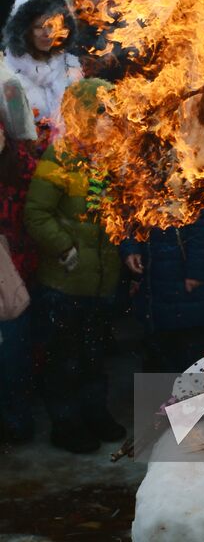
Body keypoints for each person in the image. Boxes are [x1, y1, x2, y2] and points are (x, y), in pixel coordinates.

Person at [24, 78, 124, 453]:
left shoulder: (109, 157)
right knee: (65, 359)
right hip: (65, 283)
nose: (109, 121)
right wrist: (65, 249)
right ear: (83, 116)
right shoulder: (61, 156)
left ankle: (95, 413)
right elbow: (36, 213)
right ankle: (65, 424)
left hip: (99, 282)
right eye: (101, 115)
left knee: (94, 357)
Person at [122, 195, 204, 373]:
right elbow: (130, 210)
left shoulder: (195, 170)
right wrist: (131, 248)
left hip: (184, 276)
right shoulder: (144, 170)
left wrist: (195, 270)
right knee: (159, 351)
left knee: (188, 354)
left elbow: (203, 227)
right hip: (153, 278)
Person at [0, 118, 38, 443]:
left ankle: (19, 423)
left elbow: (34, 215)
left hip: (17, 275)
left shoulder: (23, 166)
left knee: (15, 357)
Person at [2, 0, 81, 140]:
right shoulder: (8, 79)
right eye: (39, 27)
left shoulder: (70, 65)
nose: (47, 33)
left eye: (52, 26)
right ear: (24, 31)